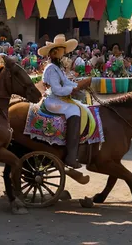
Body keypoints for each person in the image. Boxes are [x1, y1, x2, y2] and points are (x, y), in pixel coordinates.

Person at [38, 34, 92, 169]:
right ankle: (70, 156)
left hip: (59, 99)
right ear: (55, 52)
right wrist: (74, 89)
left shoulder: (57, 68)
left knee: (81, 106)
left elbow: (66, 82)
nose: (65, 53)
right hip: (52, 100)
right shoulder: (51, 68)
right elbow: (56, 89)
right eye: (63, 50)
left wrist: (77, 85)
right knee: (75, 110)